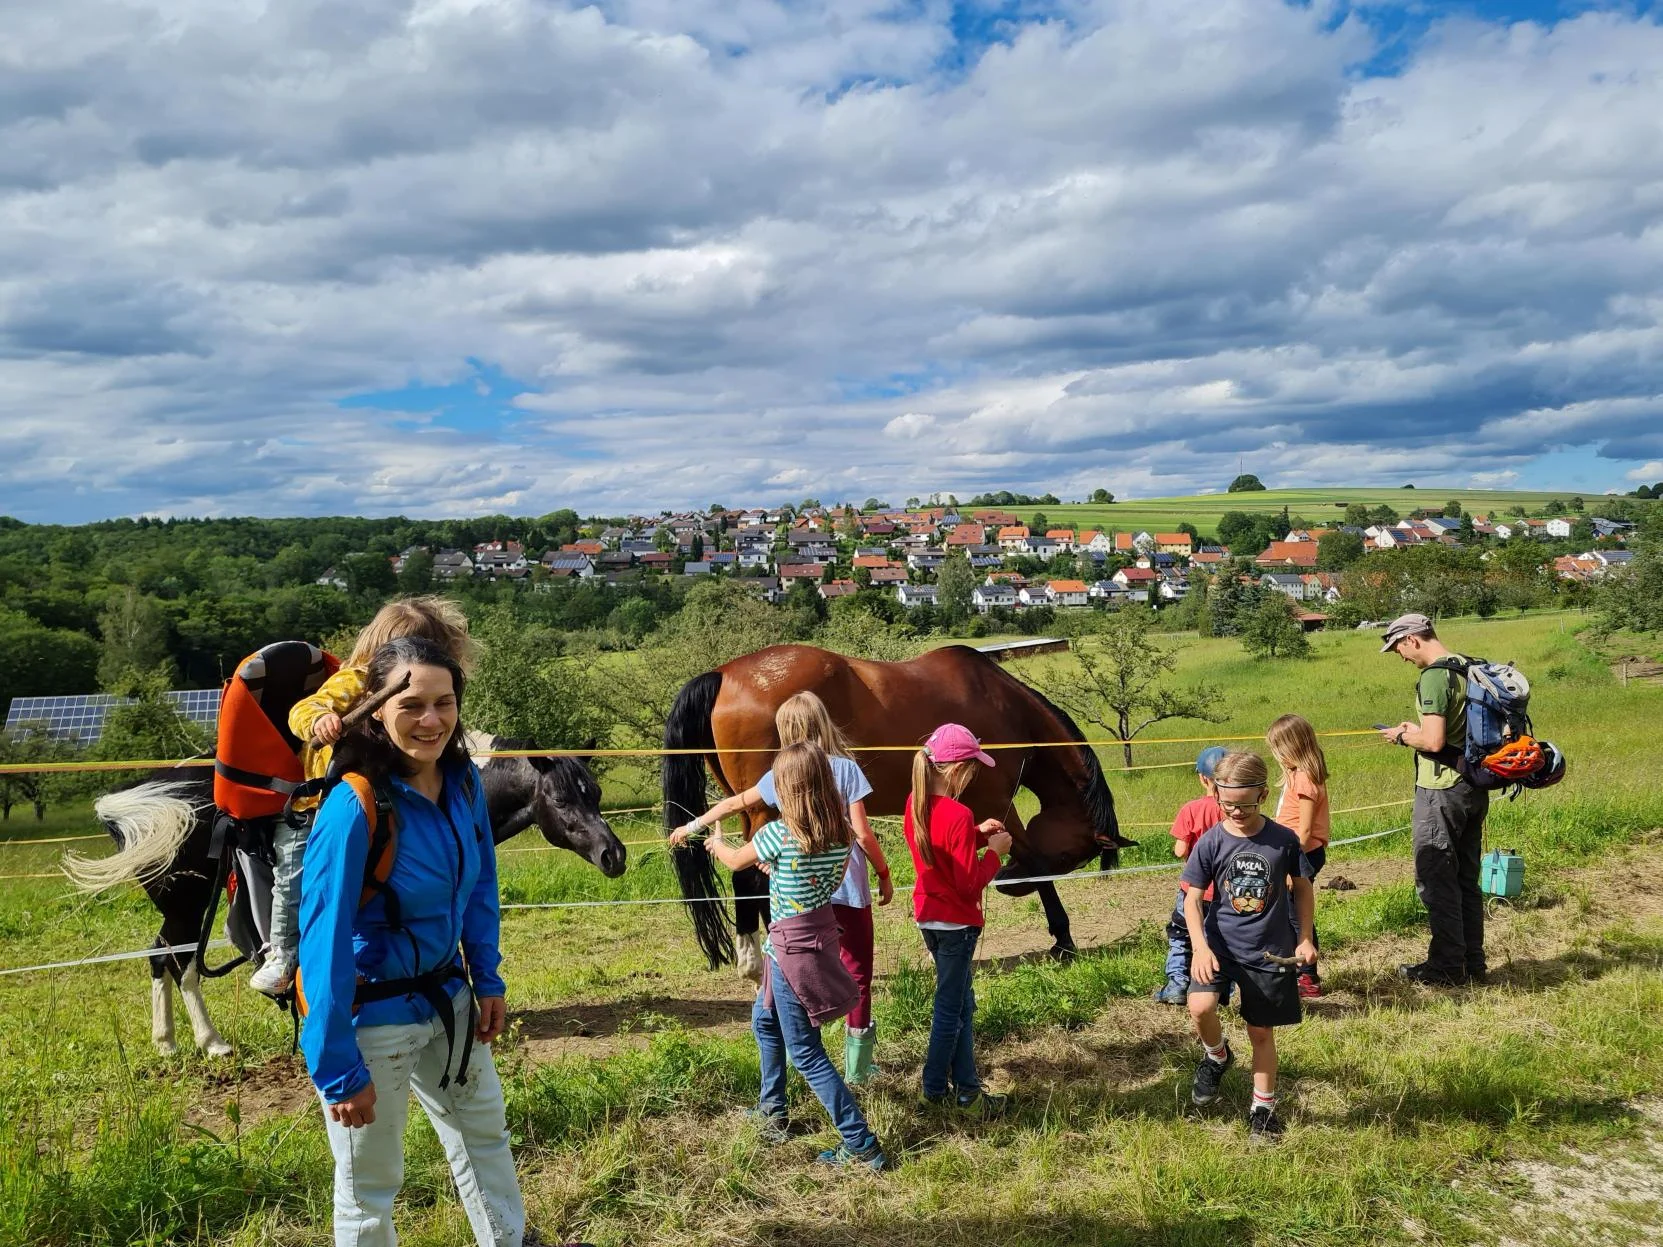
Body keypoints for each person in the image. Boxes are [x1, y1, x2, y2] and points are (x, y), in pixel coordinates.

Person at [296, 636, 526, 1247]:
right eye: (412, 704)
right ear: (375, 708)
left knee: (484, 1139)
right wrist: (336, 1068)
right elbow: (319, 939)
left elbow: (479, 886)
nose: (432, 721)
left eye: (445, 703)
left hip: (449, 999)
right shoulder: (354, 806)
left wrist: (488, 978)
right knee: (370, 1181)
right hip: (374, 1018)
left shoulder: (463, 785)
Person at [251, 595, 476, 994]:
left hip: (374, 795)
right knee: (297, 876)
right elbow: (304, 709)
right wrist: (321, 720)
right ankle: (284, 955)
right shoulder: (357, 678)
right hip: (320, 805)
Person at [670, 691, 893, 1082]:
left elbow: (734, 804)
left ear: (786, 731)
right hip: (844, 882)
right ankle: (858, 1068)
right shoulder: (847, 769)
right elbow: (861, 832)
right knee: (858, 971)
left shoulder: (782, 774)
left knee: (796, 970)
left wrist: (692, 827)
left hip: (798, 890)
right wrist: (884, 872)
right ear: (823, 722)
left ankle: (798, 1055)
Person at [699, 741, 887, 1170]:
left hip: (789, 949)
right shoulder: (839, 832)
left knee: (805, 1053)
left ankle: (860, 1142)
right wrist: (782, 870)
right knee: (764, 1021)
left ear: (788, 789)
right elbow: (825, 878)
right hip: (816, 936)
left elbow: (734, 862)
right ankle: (772, 1110)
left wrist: (716, 842)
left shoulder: (777, 833)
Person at [1181, 751, 1316, 1141]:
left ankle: (1263, 1110)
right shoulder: (1210, 842)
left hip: (1269, 950)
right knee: (1200, 1006)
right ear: (1216, 793)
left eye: (1245, 804)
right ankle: (1217, 1056)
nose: (1236, 812)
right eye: (1227, 805)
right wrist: (1201, 948)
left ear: (1261, 793)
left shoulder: (1283, 841)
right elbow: (1191, 900)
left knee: (1261, 1033)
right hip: (1220, 946)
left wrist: (1305, 937)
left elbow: (1303, 889)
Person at [903, 723, 1013, 1113]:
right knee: (951, 1009)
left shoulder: (915, 804)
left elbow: (943, 848)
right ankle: (934, 1089)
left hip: (929, 918)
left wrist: (977, 832)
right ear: (958, 770)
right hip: (957, 925)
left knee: (962, 1004)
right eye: (974, 770)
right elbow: (969, 884)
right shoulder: (957, 812)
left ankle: (968, 1091)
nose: (974, 777)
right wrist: (995, 853)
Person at [1378, 612, 1490, 986]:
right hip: (1473, 784)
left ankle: (1445, 968)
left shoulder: (1433, 677)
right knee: (1466, 879)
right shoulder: (1466, 666)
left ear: (1412, 639)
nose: (1400, 656)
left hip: (1441, 788)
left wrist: (1401, 735)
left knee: (1436, 877)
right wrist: (1418, 730)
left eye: (1398, 648)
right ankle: (1472, 962)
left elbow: (1434, 741)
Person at [1153, 746, 1227, 1006]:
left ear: (1202, 778)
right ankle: (1222, 989)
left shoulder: (1191, 809)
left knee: (1180, 934)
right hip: (1224, 891)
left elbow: (1180, 850)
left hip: (1192, 889)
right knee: (1220, 937)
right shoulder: (1232, 810)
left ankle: (1177, 985)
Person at [1266, 715, 1331, 999]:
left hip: (1301, 854)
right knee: (1291, 914)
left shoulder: (1304, 778)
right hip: (1296, 853)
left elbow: (1303, 830)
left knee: (1297, 917)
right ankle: (1299, 972)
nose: (1276, 756)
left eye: (1278, 749)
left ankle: (1307, 977)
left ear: (1292, 747)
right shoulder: (1297, 776)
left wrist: (1290, 866)